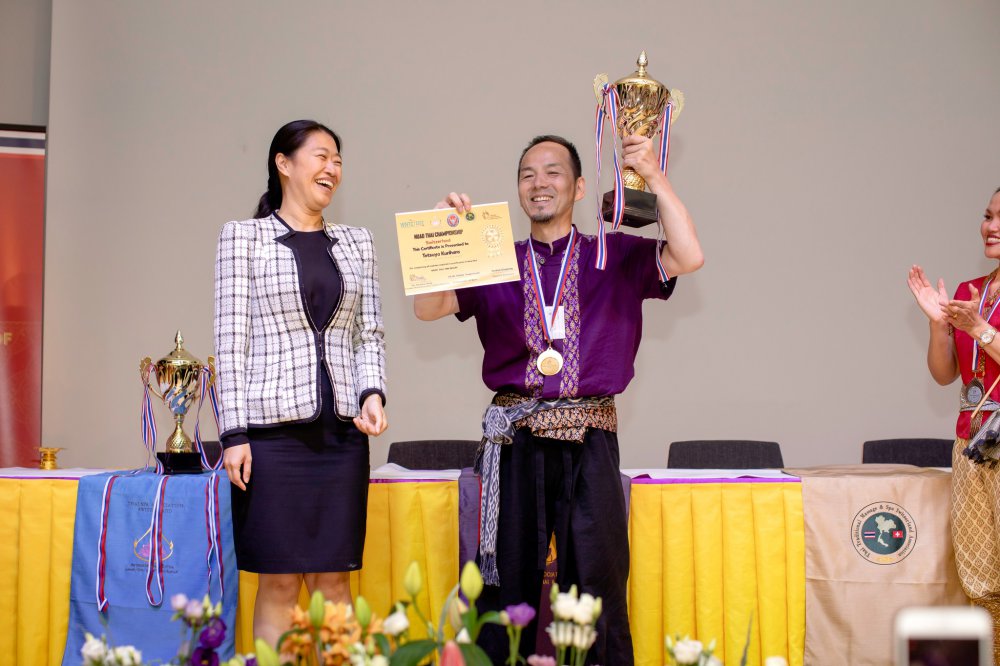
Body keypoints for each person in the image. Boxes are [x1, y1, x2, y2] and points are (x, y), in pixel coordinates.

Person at [414, 134, 703, 663]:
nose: (539, 183)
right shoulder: (493, 256)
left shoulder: (612, 254)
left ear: (579, 186)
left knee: (597, 581)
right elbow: (428, 309)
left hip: (589, 441)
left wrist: (654, 176)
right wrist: (438, 235)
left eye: (553, 172)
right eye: (527, 174)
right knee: (504, 586)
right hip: (515, 441)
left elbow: (689, 254)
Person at [214, 119, 387, 645]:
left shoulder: (358, 241)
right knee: (280, 582)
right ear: (283, 164)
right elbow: (230, 339)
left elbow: (369, 333)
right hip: (271, 439)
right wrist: (234, 434)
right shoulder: (243, 237)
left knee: (335, 581)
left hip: (341, 436)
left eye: (337, 159)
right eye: (320, 156)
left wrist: (371, 393)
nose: (331, 167)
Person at [908, 186, 1000, 660]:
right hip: (971, 445)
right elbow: (946, 376)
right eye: (987, 216)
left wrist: (979, 329)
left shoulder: (976, 311)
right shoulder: (971, 293)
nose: (991, 226)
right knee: (979, 578)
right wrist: (938, 325)